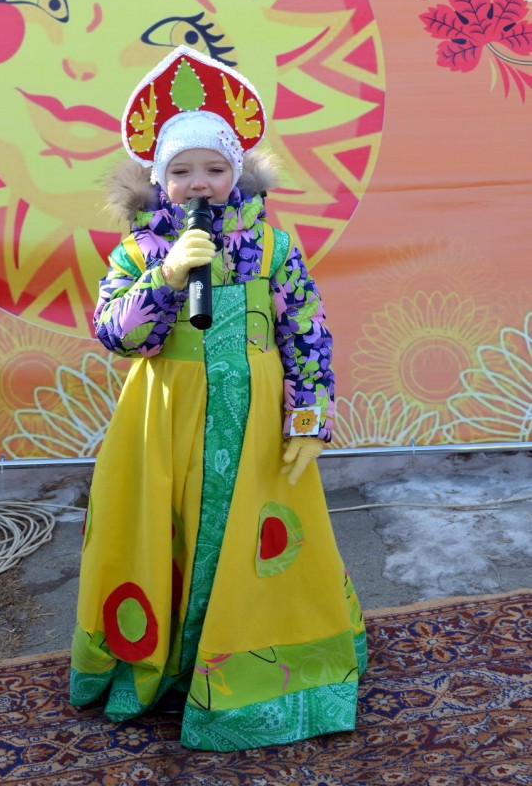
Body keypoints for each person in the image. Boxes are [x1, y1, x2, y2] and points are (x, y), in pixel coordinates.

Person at [69, 46, 367, 752]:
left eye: (214, 168)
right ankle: (162, 661)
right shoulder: (138, 252)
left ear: (237, 172)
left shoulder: (274, 249)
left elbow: (306, 333)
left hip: (256, 426)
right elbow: (117, 335)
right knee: (166, 533)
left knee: (253, 541)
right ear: (158, 178)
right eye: (181, 171)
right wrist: (167, 277)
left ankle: (247, 668)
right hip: (164, 425)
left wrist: (307, 421)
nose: (198, 183)